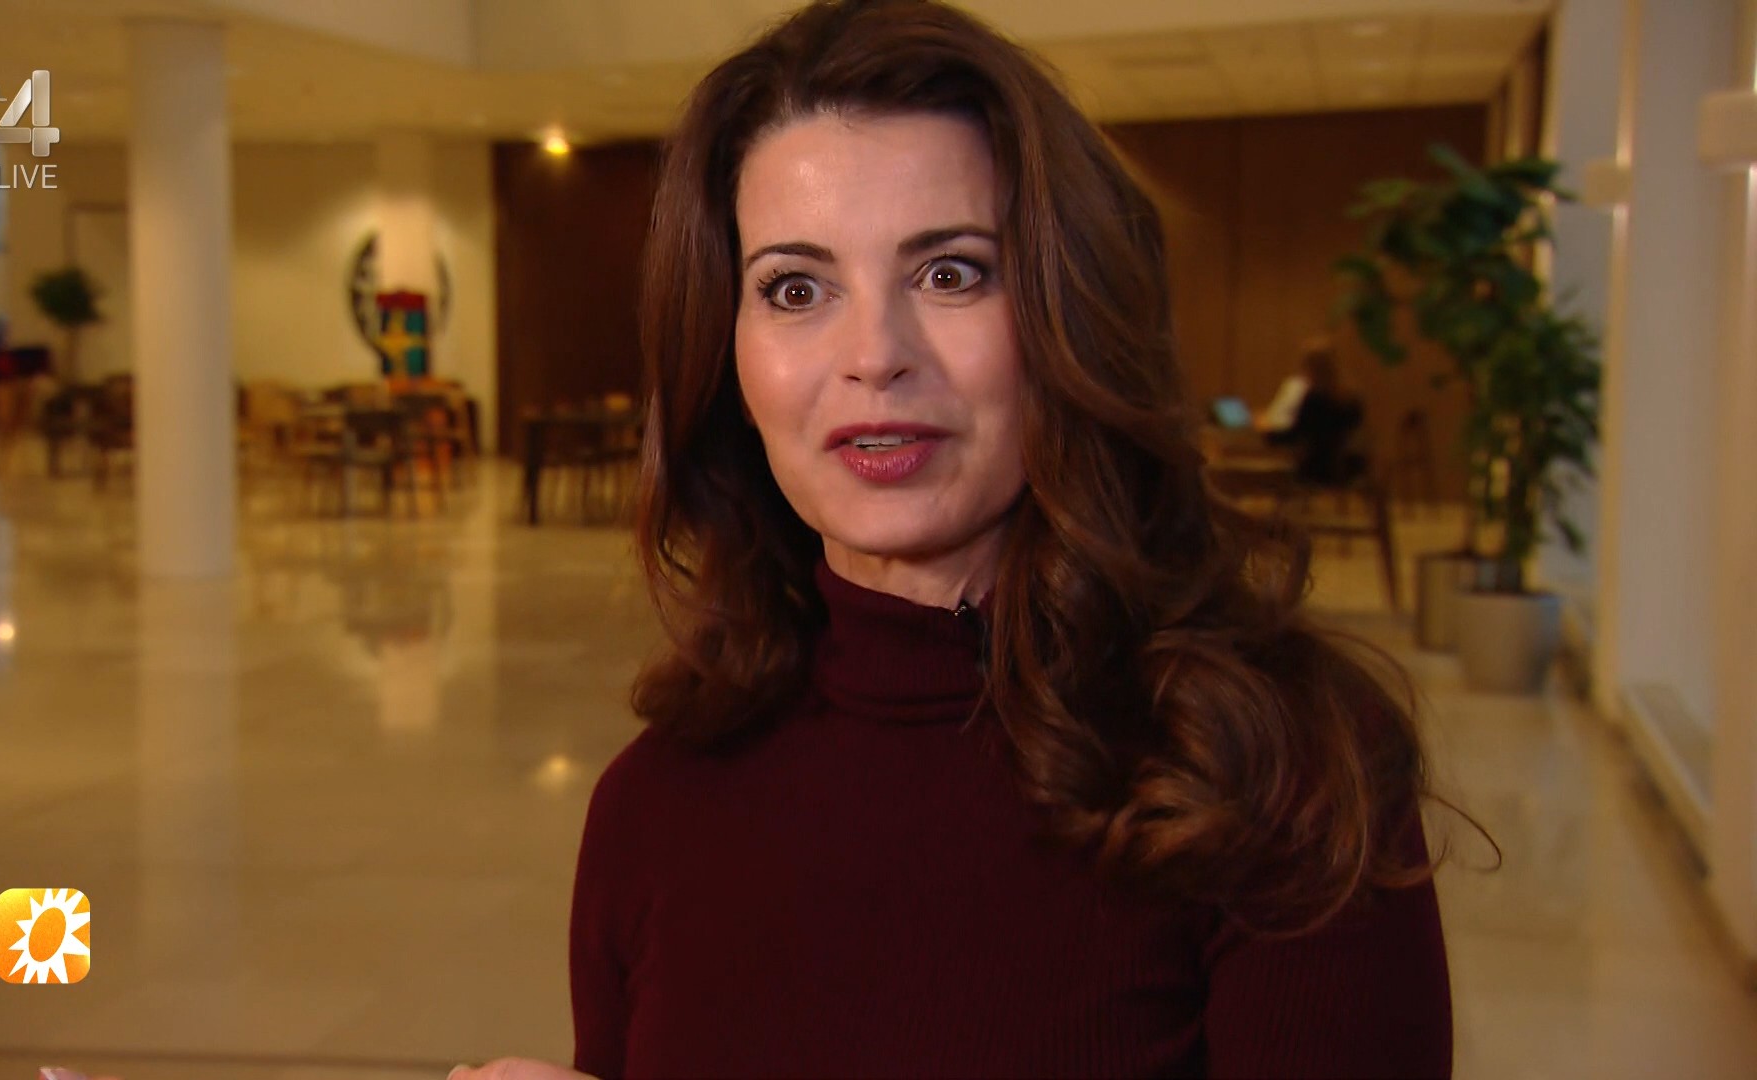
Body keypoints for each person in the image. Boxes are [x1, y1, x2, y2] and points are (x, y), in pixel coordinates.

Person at [456, 1, 1451, 1077]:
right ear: (728, 359)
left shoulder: (1277, 766)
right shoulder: (653, 805)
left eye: (950, 273)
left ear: (1067, 318)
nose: (874, 354)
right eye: (796, 288)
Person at [1263, 339, 1369, 486]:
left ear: (1310, 367)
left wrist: (1268, 432)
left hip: (1314, 472)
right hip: (1344, 471)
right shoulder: (1351, 400)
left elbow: (1293, 435)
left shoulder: (1313, 400)